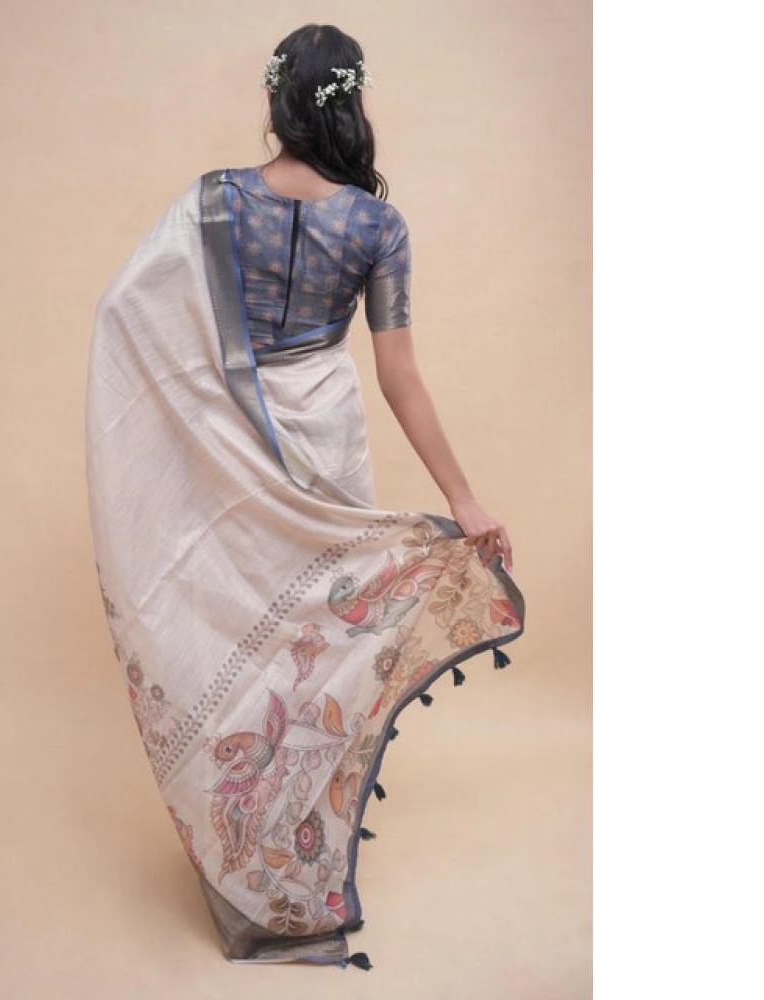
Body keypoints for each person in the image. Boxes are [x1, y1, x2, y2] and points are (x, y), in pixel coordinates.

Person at [85, 23, 524, 970]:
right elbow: (399, 373)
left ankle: (243, 865)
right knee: (316, 651)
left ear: (277, 99)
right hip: (323, 436)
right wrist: (462, 497)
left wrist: (191, 409)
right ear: (352, 104)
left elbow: (126, 311)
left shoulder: (212, 201)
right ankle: (290, 865)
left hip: (229, 446)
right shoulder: (376, 226)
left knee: (233, 639)